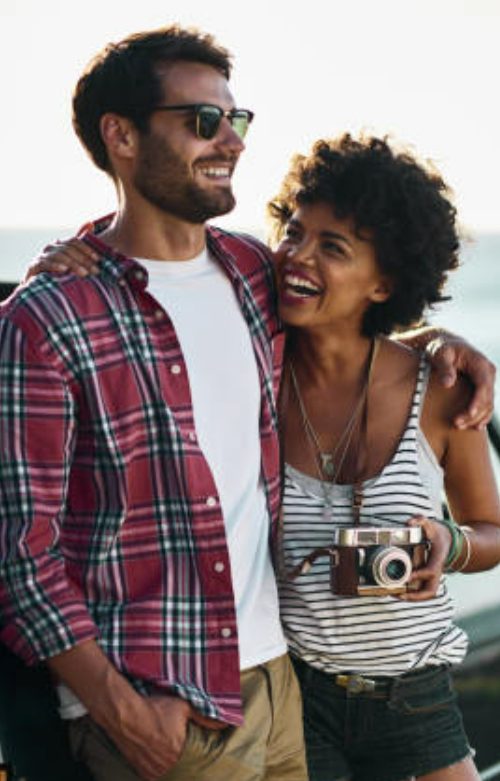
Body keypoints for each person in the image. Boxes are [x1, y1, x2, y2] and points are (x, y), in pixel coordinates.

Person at [0, 25, 495, 781]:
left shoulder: (249, 274)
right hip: (168, 705)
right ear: (121, 136)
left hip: (281, 686)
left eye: (237, 120)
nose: (230, 140)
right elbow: (19, 552)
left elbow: (356, 296)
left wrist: (439, 341)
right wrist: (122, 712)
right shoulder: (49, 317)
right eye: (204, 122)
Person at [268, 134, 500, 781]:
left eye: (332, 247)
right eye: (293, 231)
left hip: (416, 693)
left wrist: (444, 543)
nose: (297, 256)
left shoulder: (442, 386)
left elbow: (493, 532)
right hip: (295, 691)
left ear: (384, 282)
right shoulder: (259, 376)